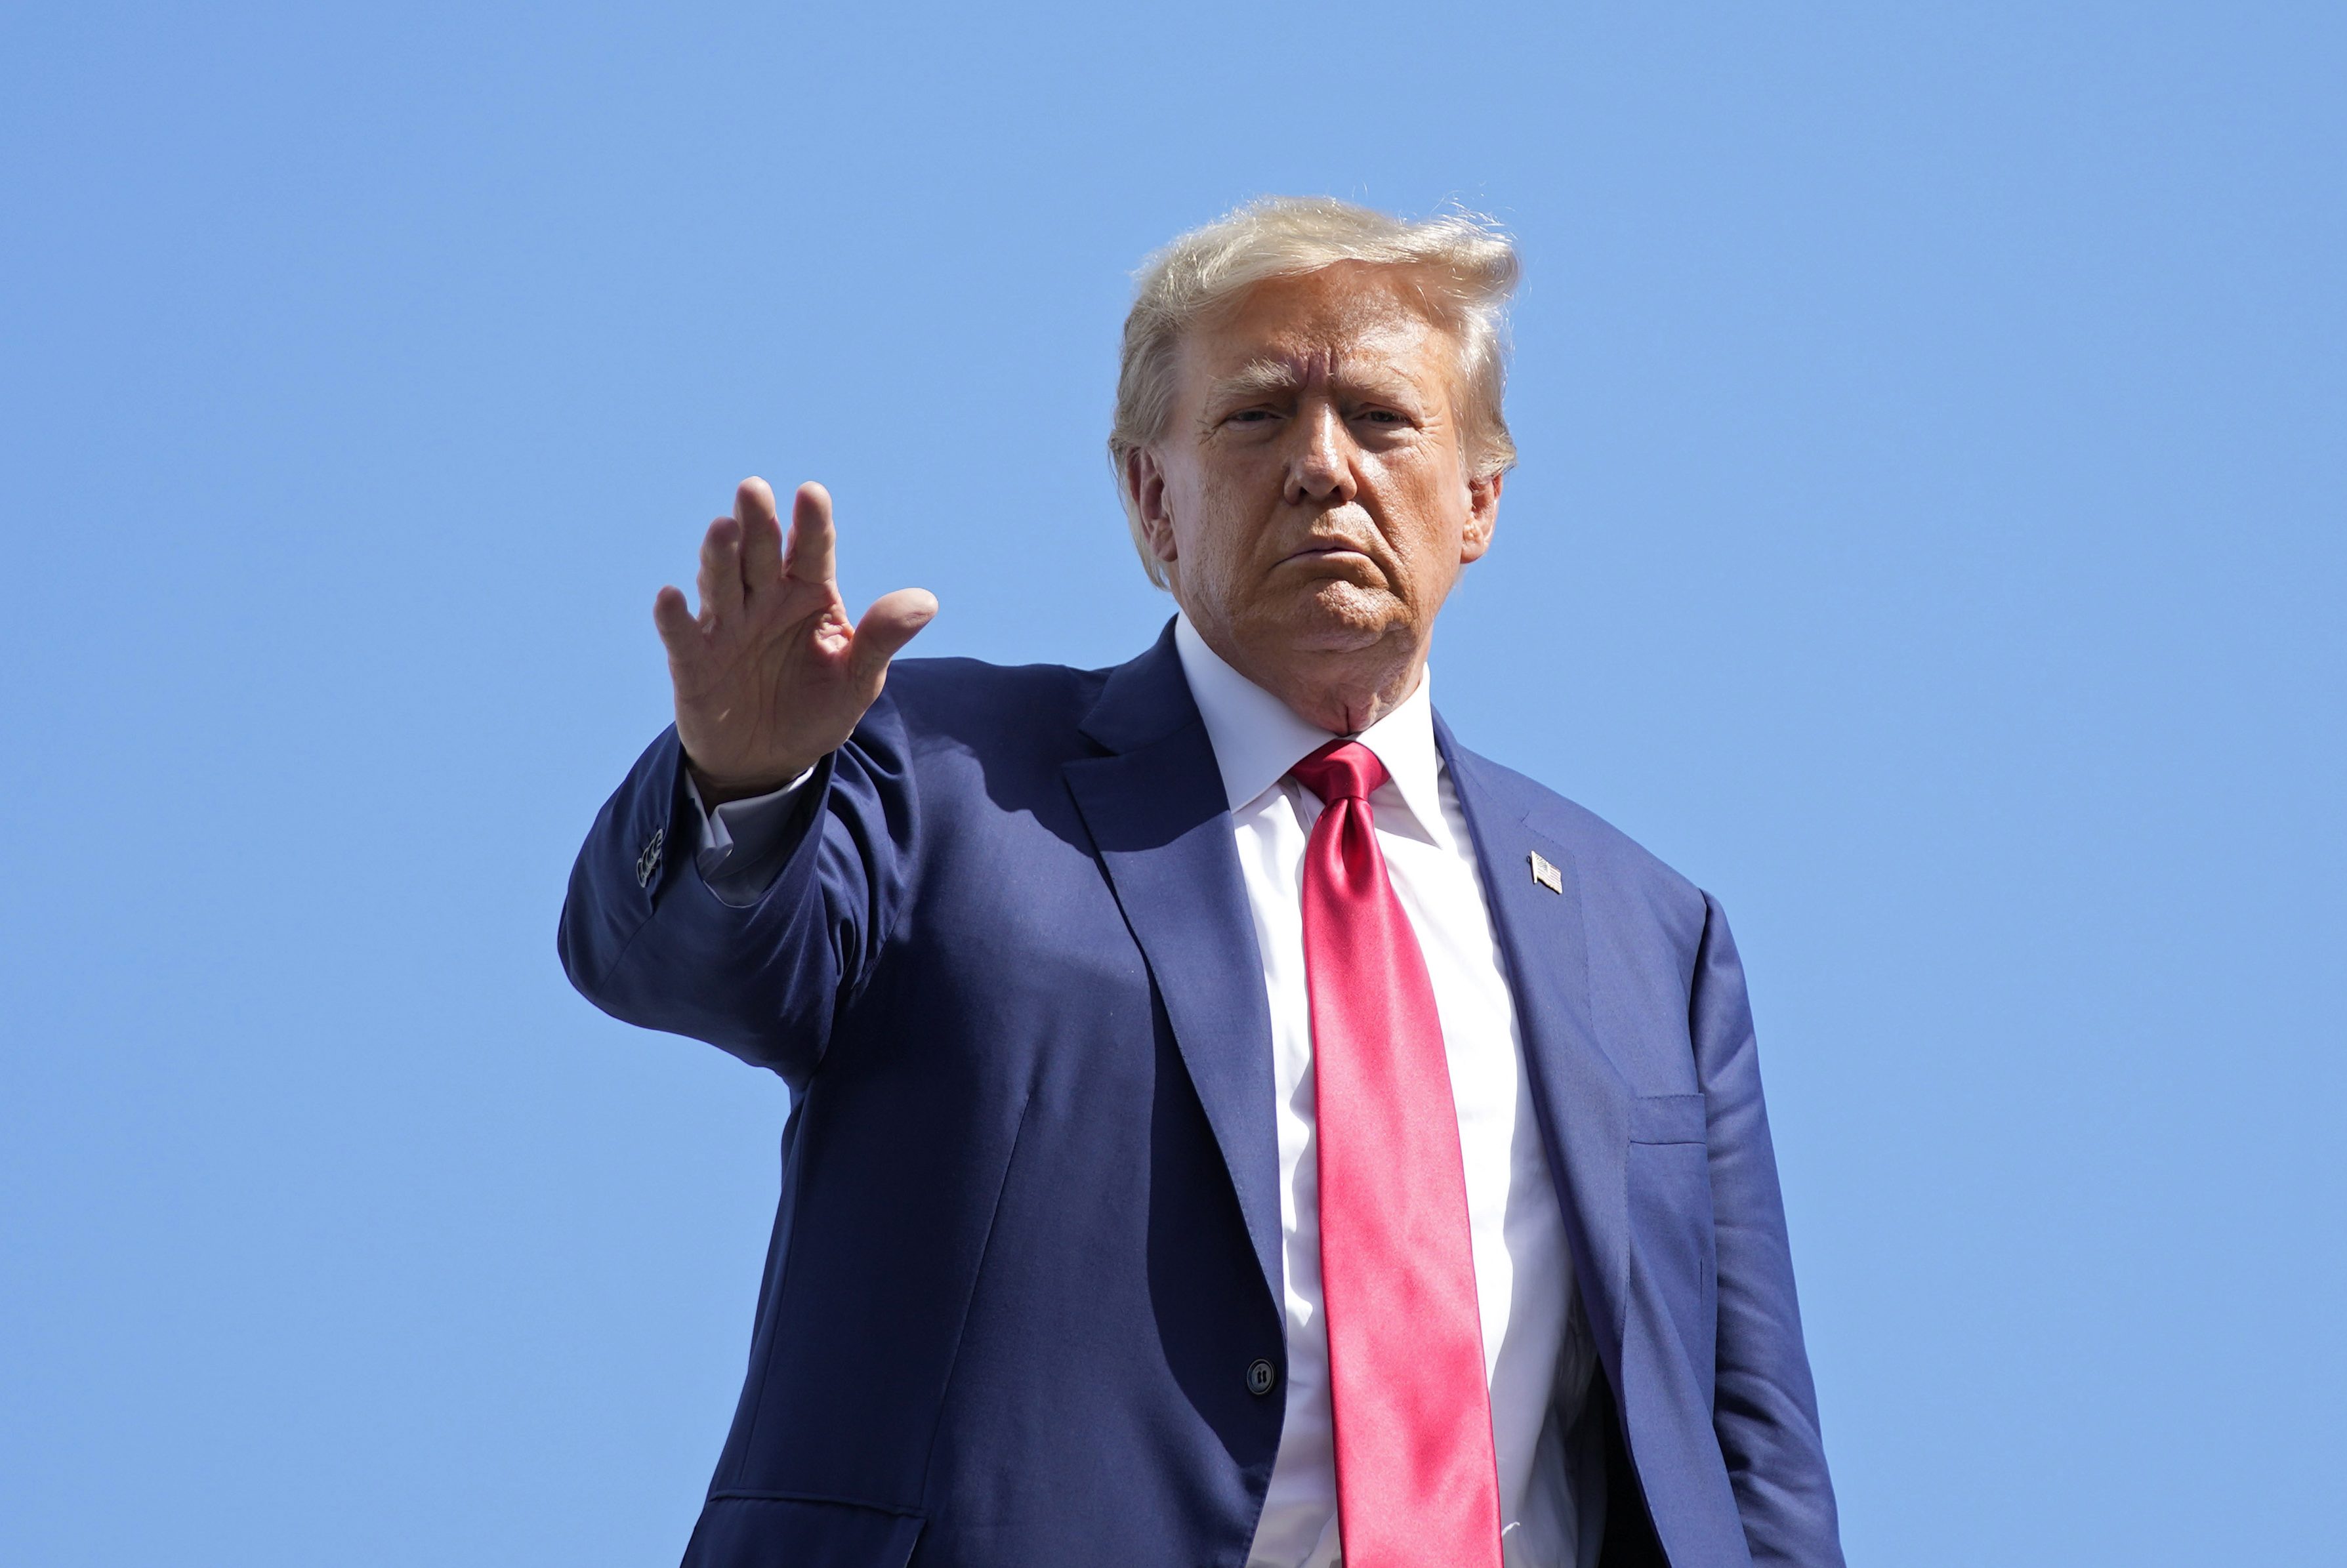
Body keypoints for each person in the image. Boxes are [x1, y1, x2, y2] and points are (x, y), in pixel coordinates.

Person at [560, 197, 1845, 1568]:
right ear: (1148, 497)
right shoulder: (941, 774)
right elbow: (681, 958)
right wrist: (741, 787)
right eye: (1254, 418)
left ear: (1477, 501)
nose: (1321, 467)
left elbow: (1745, 1456)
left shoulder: (1647, 934)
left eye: (1381, 418)